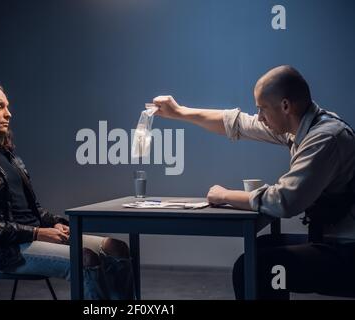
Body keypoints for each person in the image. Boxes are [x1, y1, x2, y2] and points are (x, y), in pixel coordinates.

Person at [152, 65, 355, 299]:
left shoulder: (325, 138)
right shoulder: (302, 126)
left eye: (262, 109)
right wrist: (179, 112)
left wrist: (224, 195)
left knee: (251, 268)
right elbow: (238, 124)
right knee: (259, 250)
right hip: (331, 242)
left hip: (346, 251)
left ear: (286, 106)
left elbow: (284, 201)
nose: (259, 117)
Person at [0, 82, 135, 300]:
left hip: (37, 236)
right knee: (85, 259)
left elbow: (33, 210)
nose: (8, 113)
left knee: (117, 249)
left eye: (7, 106)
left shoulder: (8, 156)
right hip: (2, 251)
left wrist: (54, 223)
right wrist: (37, 233)